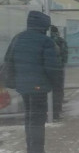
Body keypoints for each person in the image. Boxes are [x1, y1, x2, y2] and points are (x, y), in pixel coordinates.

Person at [10, 11, 61, 153]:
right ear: (43, 25)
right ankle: (37, 150)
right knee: (38, 120)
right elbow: (51, 67)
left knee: (29, 117)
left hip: (23, 86)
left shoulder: (18, 38)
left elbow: (9, 60)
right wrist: (56, 84)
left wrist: (15, 81)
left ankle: (30, 148)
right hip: (39, 87)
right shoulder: (45, 41)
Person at [50, 25, 68, 120]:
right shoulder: (61, 41)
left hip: (47, 70)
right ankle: (57, 111)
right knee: (58, 90)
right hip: (58, 69)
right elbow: (65, 55)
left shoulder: (45, 39)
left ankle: (48, 110)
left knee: (48, 90)